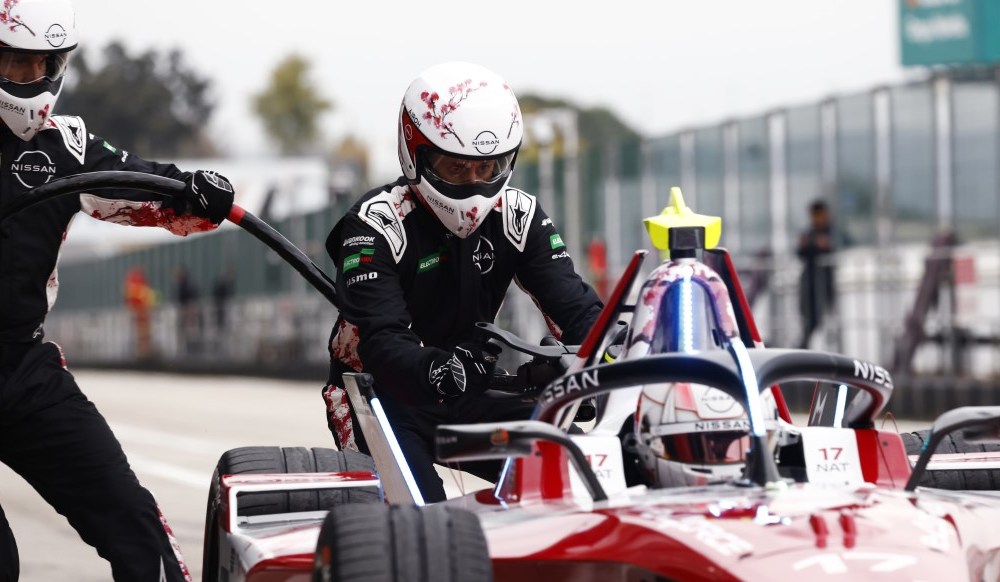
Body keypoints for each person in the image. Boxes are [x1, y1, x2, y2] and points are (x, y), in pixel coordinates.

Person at [0, 2, 234, 580]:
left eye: (43, 64)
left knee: (139, 533)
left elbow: (144, 182)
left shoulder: (67, 145)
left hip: (20, 369)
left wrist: (195, 191)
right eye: (16, 62)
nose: (31, 79)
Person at [322, 62, 603, 503]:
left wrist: (607, 364)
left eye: (488, 168)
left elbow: (579, 312)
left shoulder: (518, 214)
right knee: (418, 519)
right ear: (416, 153)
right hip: (379, 397)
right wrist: (440, 371)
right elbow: (382, 343)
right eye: (456, 169)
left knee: (586, 473)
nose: (474, 187)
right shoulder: (375, 223)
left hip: (473, 393)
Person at [796, 200, 837, 349]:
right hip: (810, 285)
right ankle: (803, 350)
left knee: (830, 322)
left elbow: (829, 248)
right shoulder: (810, 233)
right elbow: (802, 252)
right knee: (810, 322)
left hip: (825, 284)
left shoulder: (832, 232)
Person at [123, 266, 158, 360]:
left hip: (141, 314)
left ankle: (143, 352)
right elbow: (148, 299)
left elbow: (130, 300)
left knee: (142, 335)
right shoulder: (141, 286)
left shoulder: (133, 285)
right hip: (142, 313)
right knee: (143, 335)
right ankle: (143, 352)